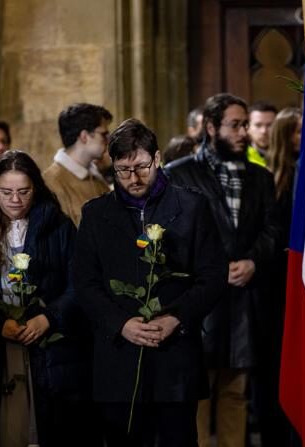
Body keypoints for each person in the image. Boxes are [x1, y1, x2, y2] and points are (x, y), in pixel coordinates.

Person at [72, 118, 227, 446]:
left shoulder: (192, 206)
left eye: (141, 166)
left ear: (157, 158)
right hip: (119, 356)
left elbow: (212, 276)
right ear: (111, 165)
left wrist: (176, 317)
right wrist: (121, 323)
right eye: (123, 170)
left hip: (174, 353)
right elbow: (85, 283)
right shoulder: (96, 214)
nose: (134, 178)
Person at [0, 150, 95, 447]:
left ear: (35, 189)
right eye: (7, 192)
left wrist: (49, 317)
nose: (15, 200)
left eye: (23, 191)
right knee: (3, 428)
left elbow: (79, 283)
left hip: (48, 344)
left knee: (47, 427)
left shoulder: (59, 227)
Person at [166, 93, 280, 447]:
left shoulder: (260, 177)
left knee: (235, 394)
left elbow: (272, 229)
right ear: (211, 127)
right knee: (197, 393)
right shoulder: (178, 173)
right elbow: (168, 235)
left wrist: (252, 261)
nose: (243, 132)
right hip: (199, 302)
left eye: (245, 124)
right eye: (235, 125)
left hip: (243, 303)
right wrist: (212, 269)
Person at [255, 106, 302, 447]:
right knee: (272, 366)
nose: (304, 138)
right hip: (273, 285)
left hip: (297, 283)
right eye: (297, 132)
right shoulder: (268, 179)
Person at [43, 103, 113, 226]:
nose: (108, 140)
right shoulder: (51, 182)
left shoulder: (96, 178)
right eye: (103, 134)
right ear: (84, 136)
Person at [246, 101, 278, 167]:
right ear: (247, 128)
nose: (264, 131)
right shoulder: (241, 158)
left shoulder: (288, 158)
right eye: (258, 125)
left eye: (270, 125)